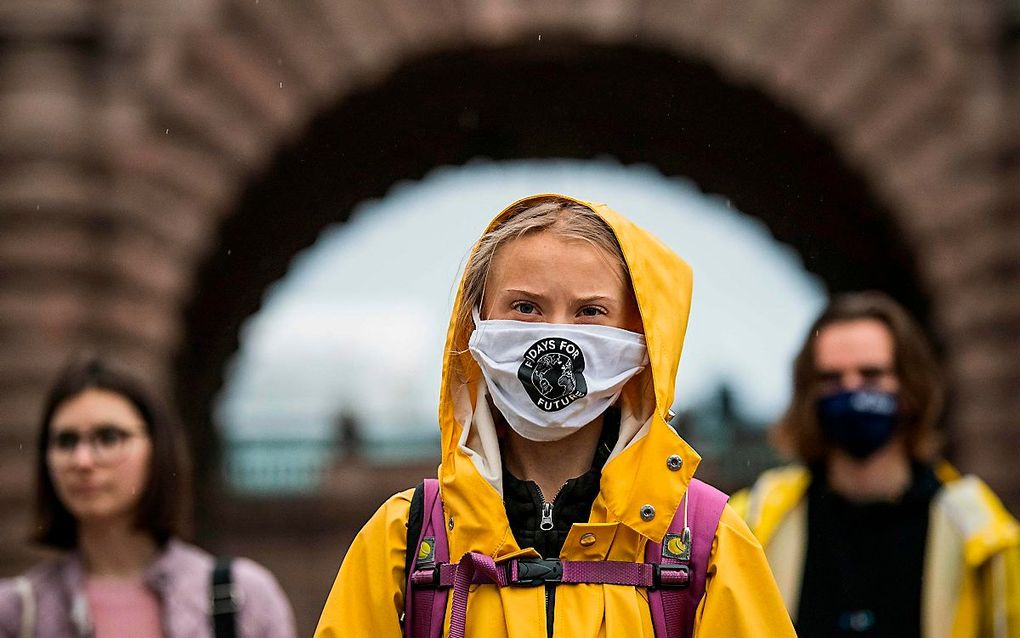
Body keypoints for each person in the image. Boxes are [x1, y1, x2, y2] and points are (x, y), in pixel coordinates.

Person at [315, 194, 796, 636]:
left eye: (590, 312)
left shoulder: (705, 541)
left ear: (644, 338)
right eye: (526, 307)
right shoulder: (405, 539)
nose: (557, 338)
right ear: (475, 323)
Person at [731, 291, 1020, 637]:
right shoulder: (755, 524)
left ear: (910, 385)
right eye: (832, 379)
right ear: (810, 392)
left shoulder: (981, 534)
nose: (852, 391)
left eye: (871, 375)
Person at [0, 357, 297, 638]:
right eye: (66, 441)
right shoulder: (17, 612)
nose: (83, 460)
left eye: (108, 437)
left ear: (158, 449)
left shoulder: (242, 597)